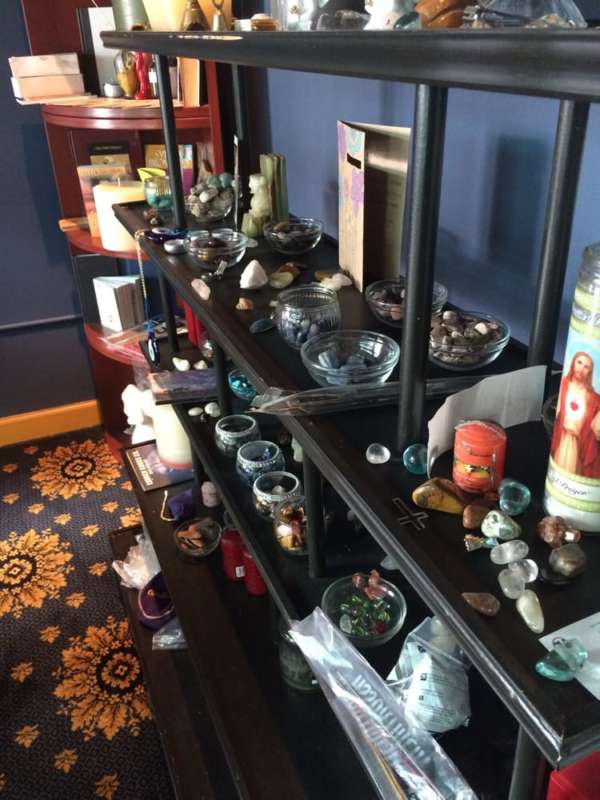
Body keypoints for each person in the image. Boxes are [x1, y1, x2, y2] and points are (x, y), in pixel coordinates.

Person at [551, 351, 600, 478]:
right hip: (561, 438)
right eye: (579, 363)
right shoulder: (565, 384)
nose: (581, 369)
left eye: (586, 367)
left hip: (577, 445)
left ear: (590, 371)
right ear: (573, 363)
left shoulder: (592, 397)